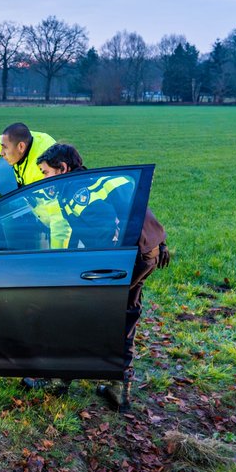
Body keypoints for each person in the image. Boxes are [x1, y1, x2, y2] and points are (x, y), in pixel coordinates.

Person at [35, 143, 171, 412]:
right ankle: (119, 388)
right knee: (126, 315)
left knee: (81, 314)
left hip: (128, 258)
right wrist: (161, 242)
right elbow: (137, 206)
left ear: (63, 168)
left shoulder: (77, 192)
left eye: (46, 172)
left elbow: (105, 226)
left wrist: (95, 272)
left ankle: (60, 378)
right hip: (149, 249)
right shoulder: (100, 179)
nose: (43, 178)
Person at [0, 123, 69, 246]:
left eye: (4, 148)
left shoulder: (43, 171)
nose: (1, 153)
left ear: (21, 147)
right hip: (39, 215)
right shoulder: (26, 139)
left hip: (65, 223)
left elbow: (59, 222)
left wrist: (56, 257)